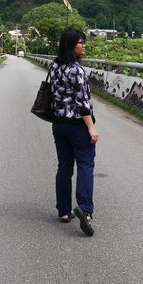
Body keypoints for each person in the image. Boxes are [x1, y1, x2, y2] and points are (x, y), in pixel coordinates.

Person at [49, 28, 99, 236]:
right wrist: (91, 127)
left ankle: (63, 211)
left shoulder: (54, 66)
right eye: (80, 42)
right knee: (86, 164)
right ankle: (85, 210)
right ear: (70, 45)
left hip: (59, 125)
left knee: (64, 167)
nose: (84, 45)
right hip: (77, 125)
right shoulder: (76, 70)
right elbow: (82, 103)